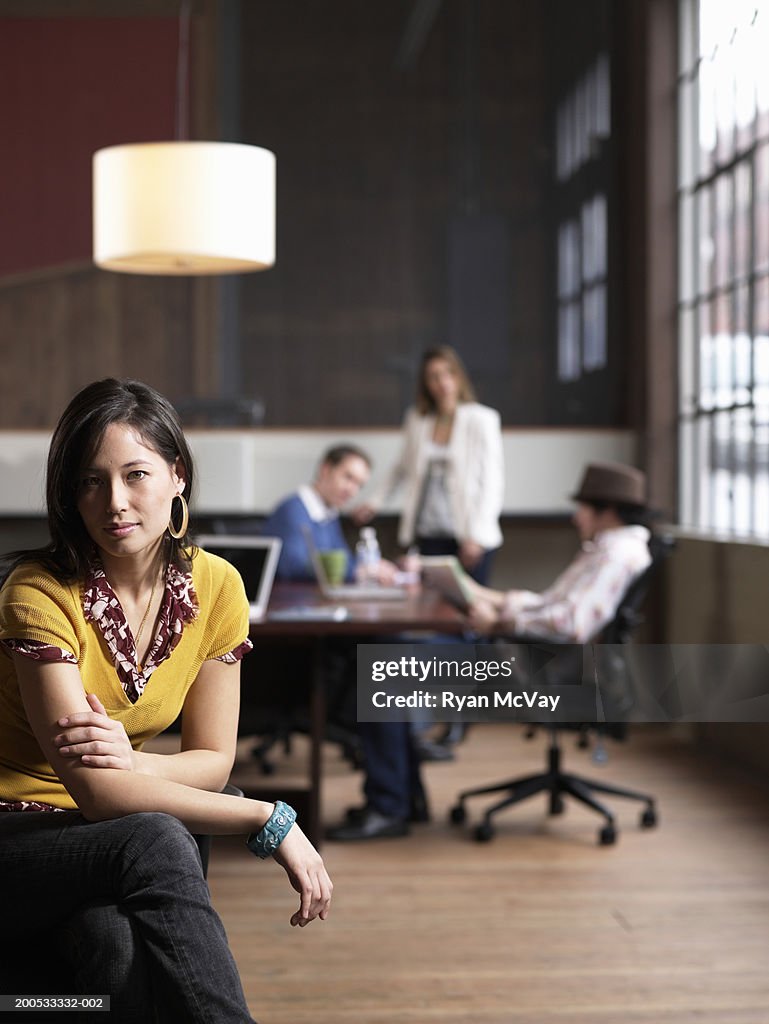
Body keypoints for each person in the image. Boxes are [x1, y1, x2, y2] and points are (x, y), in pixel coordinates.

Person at [0, 379, 332, 1023]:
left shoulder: (217, 585)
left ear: (177, 476)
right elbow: (96, 793)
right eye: (91, 481)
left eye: (136, 474)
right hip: (14, 833)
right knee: (155, 839)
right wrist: (268, 819)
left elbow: (212, 761)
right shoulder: (36, 592)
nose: (115, 502)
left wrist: (128, 759)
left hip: (104, 837)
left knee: (114, 947)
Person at [355, 345, 504, 585]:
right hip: (429, 532)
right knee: (430, 606)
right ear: (426, 383)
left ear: (458, 376)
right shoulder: (417, 419)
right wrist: (375, 501)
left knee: (470, 608)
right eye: (434, 377)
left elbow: (492, 483)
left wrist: (475, 536)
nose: (442, 382)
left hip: (468, 535)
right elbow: (401, 468)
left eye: (448, 373)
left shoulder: (482, 419)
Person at [466, 461, 653, 642]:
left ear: (609, 512)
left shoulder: (615, 556)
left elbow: (571, 623)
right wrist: (483, 595)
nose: (576, 518)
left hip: (550, 662)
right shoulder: (611, 550)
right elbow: (551, 602)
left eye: (582, 508)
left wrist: (498, 624)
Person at [261, 443, 396, 584]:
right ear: (325, 469)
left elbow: (344, 560)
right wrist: (358, 571)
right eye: (348, 477)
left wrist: (371, 567)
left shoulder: (328, 513)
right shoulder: (293, 510)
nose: (352, 490)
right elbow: (292, 565)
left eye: (359, 485)